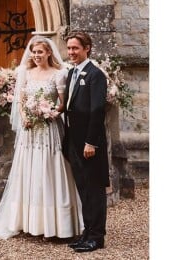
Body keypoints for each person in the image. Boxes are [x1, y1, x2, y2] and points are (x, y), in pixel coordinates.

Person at [0, 35, 83, 241]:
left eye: (40, 52)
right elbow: (21, 101)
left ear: (49, 53)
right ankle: (28, 221)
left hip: (49, 130)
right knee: (29, 170)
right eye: (34, 52)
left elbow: (63, 103)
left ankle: (55, 224)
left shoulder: (59, 74)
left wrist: (50, 113)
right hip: (29, 131)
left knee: (49, 170)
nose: (36, 55)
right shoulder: (25, 72)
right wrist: (26, 117)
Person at [63, 31, 109, 253]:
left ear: (87, 48)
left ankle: (97, 237)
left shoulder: (95, 75)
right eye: (69, 48)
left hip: (89, 145)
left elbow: (97, 110)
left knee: (95, 190)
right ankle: (87, 232)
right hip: (74, 141)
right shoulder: (72, 73)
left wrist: (91, 142)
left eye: (75, 48)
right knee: (83, 190)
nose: (71, 52)